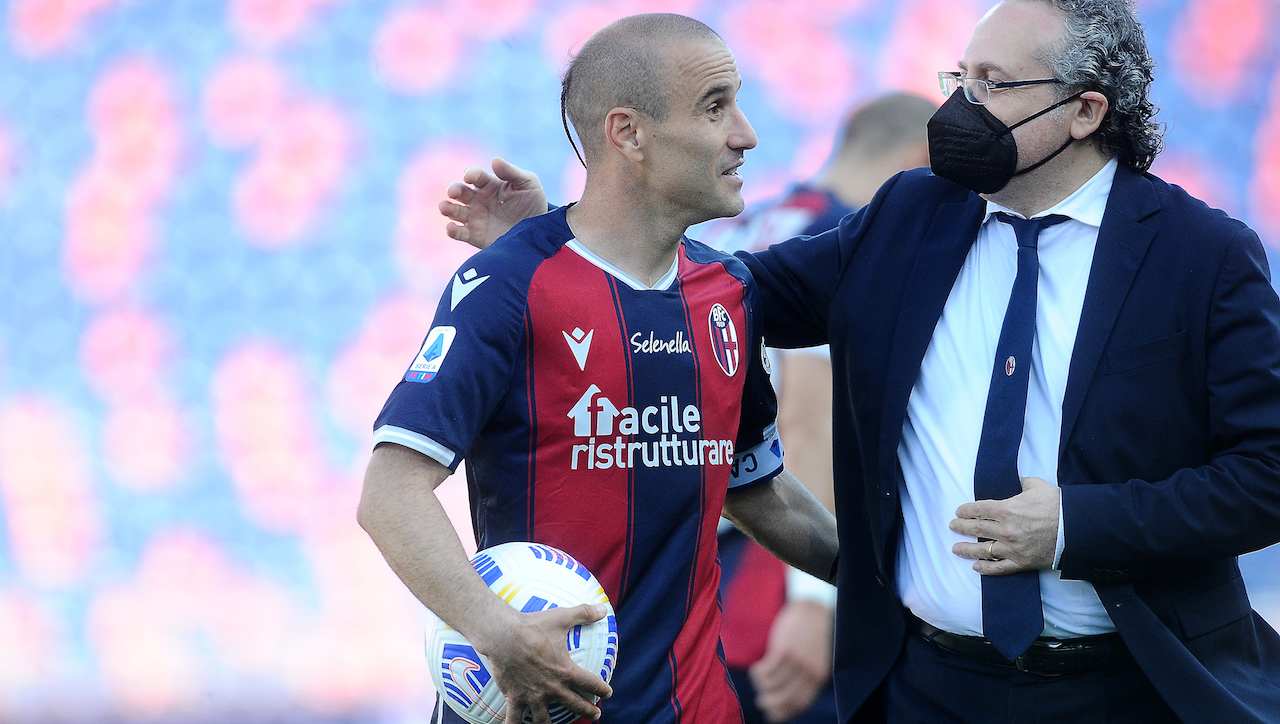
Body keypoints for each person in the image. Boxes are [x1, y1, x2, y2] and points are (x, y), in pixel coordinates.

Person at [439, 1, 1280, 720]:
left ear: (1087, 112)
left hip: (1135, 687)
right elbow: (720, 295)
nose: (960, 107)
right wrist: (559, 249)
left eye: (994, 85)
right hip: (926, 687)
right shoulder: (915, 214)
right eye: (962, 79)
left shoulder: (1204, 257)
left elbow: (1268, 475)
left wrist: (1076, 526)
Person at [359, 13, 838, 724]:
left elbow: (757, 490)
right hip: (534, 704)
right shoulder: (508, 284)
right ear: (628, 134)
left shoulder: (730, 294)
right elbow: (390, 495)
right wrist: (497, 632)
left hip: (696, 706)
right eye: (715, 107)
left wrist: (884, 585)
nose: (746, 134)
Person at [702, 92, 935, 724]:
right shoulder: (844, 245)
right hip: (783, 553)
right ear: (920, 162)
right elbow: (807, 419)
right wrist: (808, 600)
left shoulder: (739, 228)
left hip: (707, 551)